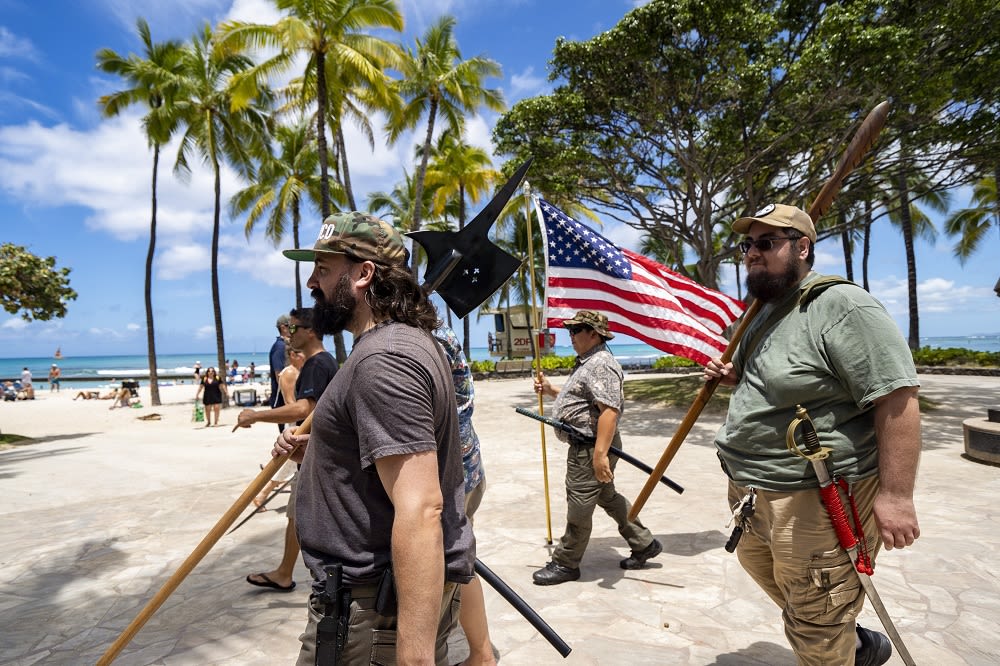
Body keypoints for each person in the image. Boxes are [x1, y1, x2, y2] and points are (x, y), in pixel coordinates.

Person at [702, 203, 921, 666]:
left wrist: (897, 495)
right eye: (747, 245)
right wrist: (732, 375)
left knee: (816, 623)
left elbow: (897, 398)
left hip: (818, 495)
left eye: (766, 243)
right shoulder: (763, 309)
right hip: (753, 491)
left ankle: (834, 641)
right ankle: (853, 642)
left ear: (803, 247)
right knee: (789, 588)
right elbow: (771, 377)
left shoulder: (842, 306)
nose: (752, 254)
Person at [272, 211, 473, 665]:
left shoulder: (385, 360)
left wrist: (414, 657)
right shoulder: (400, 343)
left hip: (368, 613)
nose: (312, 284)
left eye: (324, 269)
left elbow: (421, 508)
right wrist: (325, 449)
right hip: (365, 605)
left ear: (363, 274)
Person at [531, 309, 661, 585]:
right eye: (571, 330)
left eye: (577, 330)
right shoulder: (588, 361)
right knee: (607, 496)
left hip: (591, 446)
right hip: (591, 444)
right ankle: (644, 542)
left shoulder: (600, 363)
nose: (571, 335)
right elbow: (584, 399)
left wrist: (600, 455)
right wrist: (552, 390)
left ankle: (566, 562)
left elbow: (609, 411)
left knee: (579, 503)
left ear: (594, 334)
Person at [237, 307, 338, 593]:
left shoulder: (318, 364)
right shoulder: (323, 362)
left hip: (316, 456)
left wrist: (255, 416)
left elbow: (306, 408)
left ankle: (288, 574)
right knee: (297, 514)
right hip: (314, 454)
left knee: (301, 515)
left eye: (293, 329)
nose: (287, 334)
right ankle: (285, 572)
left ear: (310, 331)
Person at [434, 325, 496, 666]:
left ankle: (481, 654)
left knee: (452, 566)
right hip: (463, 467)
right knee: (459, 563)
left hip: (452, 474)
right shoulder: (428, 327)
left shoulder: (422, 336)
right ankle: (481, 653)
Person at [252, 347, 306, 511]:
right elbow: (290, 402)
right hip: (296, 422)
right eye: (301, 352)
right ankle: (261, 494)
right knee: (288, 463)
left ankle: (262, 494)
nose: (305, 355)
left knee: (289, 464)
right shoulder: (289, 373)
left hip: (299, 420)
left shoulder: (300, 371)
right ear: (293, 355)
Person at [268, 314, 290, 411]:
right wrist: (290, 402)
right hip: (282, 402)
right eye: (292, 326)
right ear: (283, 328)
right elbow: (279, 376)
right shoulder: (280, 347)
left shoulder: (285, 345)